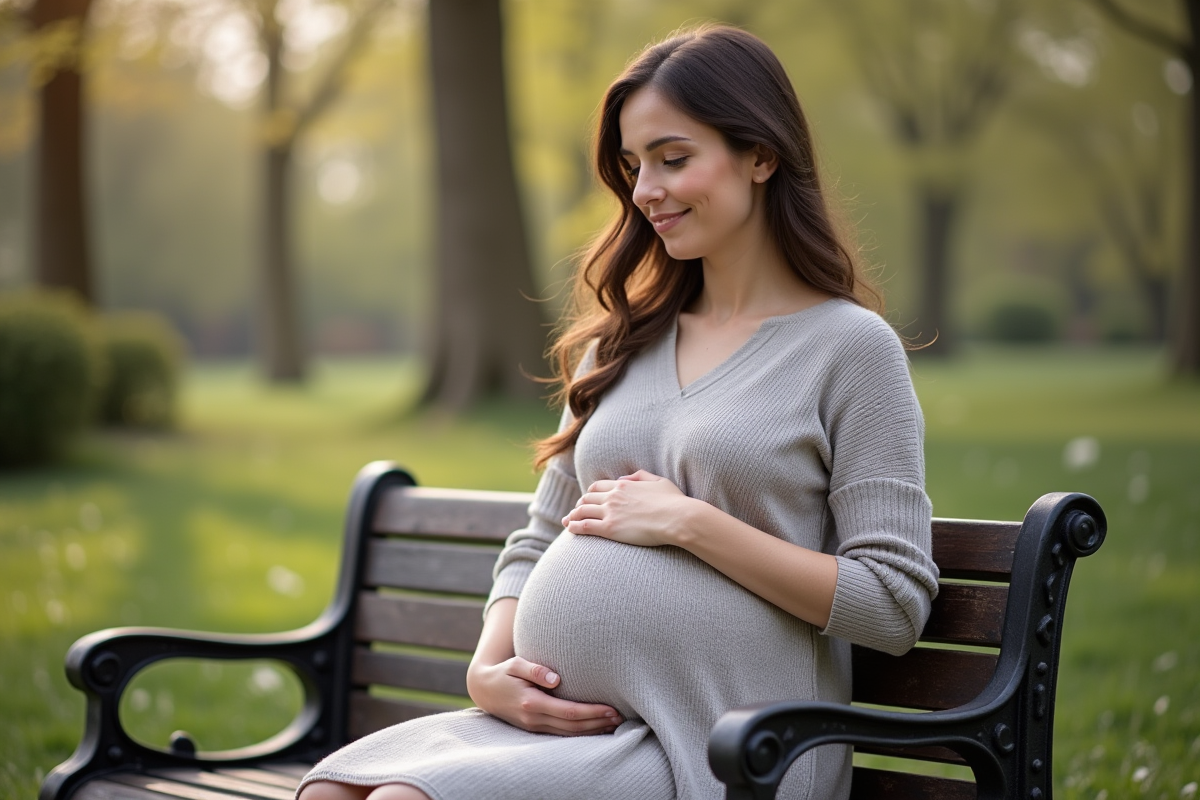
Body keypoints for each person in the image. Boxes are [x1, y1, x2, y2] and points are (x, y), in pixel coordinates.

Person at [297, 23, 938, 800]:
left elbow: (892, 603)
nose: (644, 192)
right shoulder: (623, 342)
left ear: (761, 156)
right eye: (634, 166)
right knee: (329, 793)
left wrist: (688, 522)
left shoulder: (849, 349)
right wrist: (488, 671)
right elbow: (540, 537)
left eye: (674, 158)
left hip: (730, 747)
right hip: (572, 730)